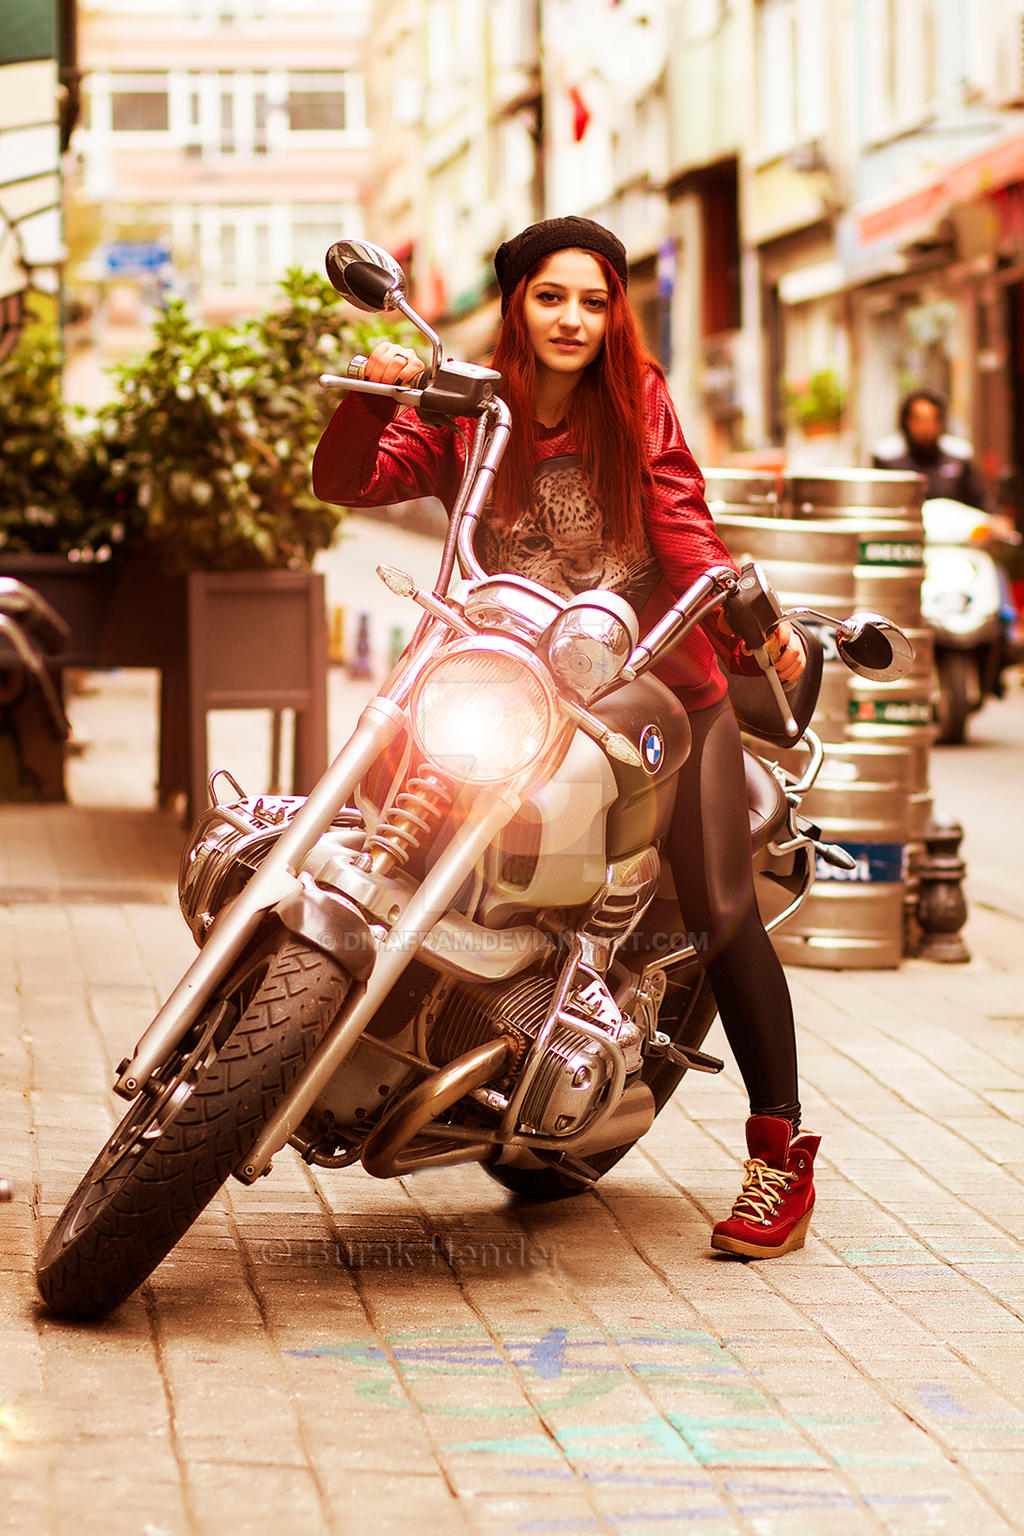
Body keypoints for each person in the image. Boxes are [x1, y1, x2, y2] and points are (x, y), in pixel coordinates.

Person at [313, 215, 819, 1259]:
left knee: (724, 908)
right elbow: (352, 482)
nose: (573, 319)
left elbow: (682, 526)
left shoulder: (634, 401)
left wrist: (748, 626)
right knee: (369, 799)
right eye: (551, 297)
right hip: (500, 680)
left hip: (655, 690)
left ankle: (779, 1158)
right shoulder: (473, 409)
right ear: (515, 305)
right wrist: (371, 392)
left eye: (593, 301)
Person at [872, 388, 990, 511]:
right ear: (906, 421)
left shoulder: (958, 456)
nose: (925, 427)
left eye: (930, 419)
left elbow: (981, 499)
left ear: (939, 422)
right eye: (918, 419)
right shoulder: (888, 458)